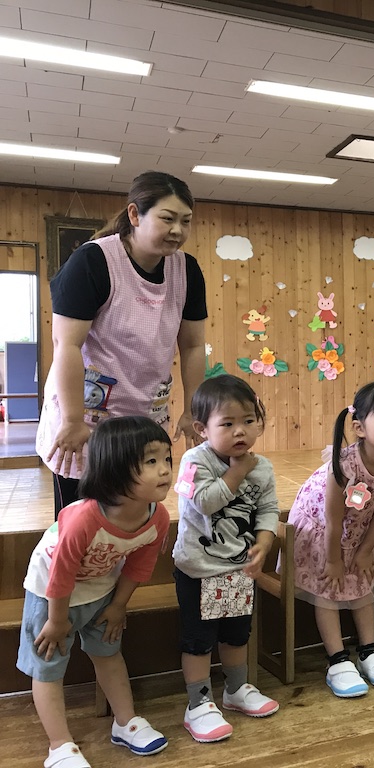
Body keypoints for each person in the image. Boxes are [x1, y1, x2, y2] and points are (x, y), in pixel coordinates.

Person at [37, 171, 208, 518]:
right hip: (86, 417)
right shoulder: (94, 261)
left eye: (186, 221)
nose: (178, 230)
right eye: (167, 218)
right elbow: (67, 345)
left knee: (134, 521)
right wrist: (72, 420)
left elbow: (192, 347)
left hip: (144, 415)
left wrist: (192, 410)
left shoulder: (186, 270)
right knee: (81, 523)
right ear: (134, 215)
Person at [18, 416, 173, 768]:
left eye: (167, 458)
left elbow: (139, 567)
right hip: (50, 594)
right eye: (151, 461)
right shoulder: (83, 518)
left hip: (100, 587)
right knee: (48, 666)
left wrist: (119, 605)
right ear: (114, 469)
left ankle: (125, 722)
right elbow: (61, 573)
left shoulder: (157, 517)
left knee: (108, 653)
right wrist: (57, 621)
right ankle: (59, 745)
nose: (165, 469)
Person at [288, 381, 374, 698]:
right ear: (359, 427)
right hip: (321, 530)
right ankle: (337, 660)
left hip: (362, 529)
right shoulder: (344, 465)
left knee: (363, 583)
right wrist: (333, 560)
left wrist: (364, 551)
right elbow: (333, 519)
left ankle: (368, 651)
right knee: (328, 590)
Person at [172, 375, 280, 743]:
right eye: (228, 423)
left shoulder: (261, 467)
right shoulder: (193, 461)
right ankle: (198, 703)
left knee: (236, 634)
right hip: (199, 569)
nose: (240, 431)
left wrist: (264, 542)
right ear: (202, 429)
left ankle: (236, 689)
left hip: (238, 569)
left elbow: (268, 510)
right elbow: (203, 502)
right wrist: (236, 472)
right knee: (199, 640)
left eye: (249, 420)